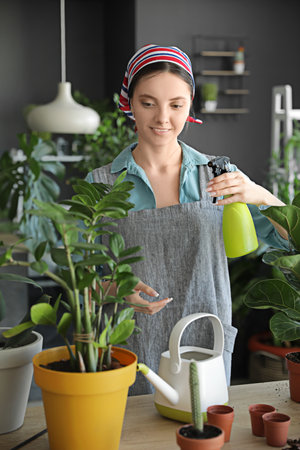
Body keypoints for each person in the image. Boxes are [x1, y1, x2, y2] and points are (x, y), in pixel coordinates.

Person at [86, 44, 288, 395]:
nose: (163, 118)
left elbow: (287, 241)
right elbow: (79, 280)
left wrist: (261, 195)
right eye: (148, 103)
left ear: (190, 103)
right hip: (131, 350)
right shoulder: (100, 186)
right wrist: (115, 290)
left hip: (207, 342)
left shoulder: (220, 175)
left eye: (176, 105)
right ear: (129, 102)